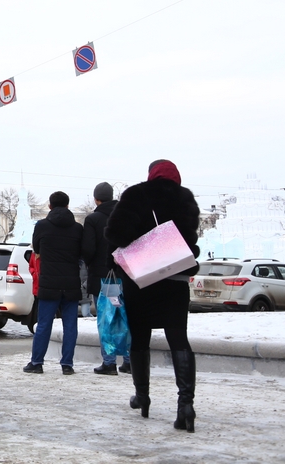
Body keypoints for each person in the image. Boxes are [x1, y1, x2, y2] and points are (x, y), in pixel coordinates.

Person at [105, 160, 200, 433]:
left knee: (140, 338)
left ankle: (142, 396)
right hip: (175, 279)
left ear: (151, 174)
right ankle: (186, 405)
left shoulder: (136, 195)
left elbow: (116, 234)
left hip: (141, 281)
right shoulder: (185, 198)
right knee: (178, 338)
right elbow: (189, 239)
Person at [24, 191, 90, 375]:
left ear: (50, 206)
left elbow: (36, 248)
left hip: (49, 282)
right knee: (70, 325)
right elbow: (82, 252)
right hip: (70, 282)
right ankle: (67, 364)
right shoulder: (77, 229)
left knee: (44, 323)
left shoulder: (42, 226)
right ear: (68, 206)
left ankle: (37, 363)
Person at [83, 182, 128, 375]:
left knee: (105, 318)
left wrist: (91, 263)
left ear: (96, 199)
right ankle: (129, 360)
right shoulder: (125, 217)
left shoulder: (93, 219)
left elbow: (88, 249)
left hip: (103, 277)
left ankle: (109, 362)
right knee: (126, 317)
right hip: (126, 276)